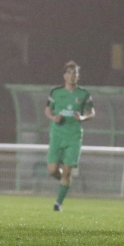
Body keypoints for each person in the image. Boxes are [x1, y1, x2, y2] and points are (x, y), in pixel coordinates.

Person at [44, 61, 95, 211]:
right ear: (64, 76)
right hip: (57, 135)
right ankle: (65, 183)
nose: (72, 76)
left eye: (75, 73)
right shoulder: (56, 92)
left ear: (78, 77)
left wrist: (83, 118)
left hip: (74, 137)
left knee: (67, 171)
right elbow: (47, 110)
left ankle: (58, 203)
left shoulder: (83, 94)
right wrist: (54, 118)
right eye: (69, 73)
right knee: (52, 170)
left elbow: (92, 112)